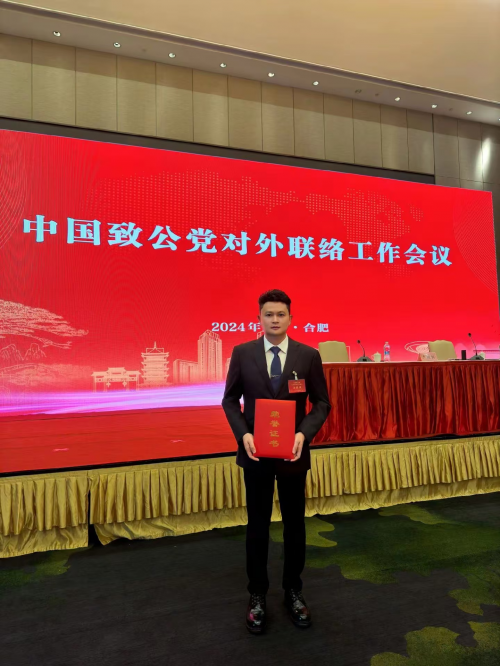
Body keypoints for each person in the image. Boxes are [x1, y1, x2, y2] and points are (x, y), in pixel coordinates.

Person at [222, 289, 331, 634]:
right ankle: (257, 594)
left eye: (280, 314)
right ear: (259, 318)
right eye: (268, 314)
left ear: (290, 319)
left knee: (294, 524)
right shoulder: (242, 353)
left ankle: (293, 591)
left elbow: (322, 403)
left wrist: (303, 434)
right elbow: (229, 400)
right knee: (257, 526)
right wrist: (243, 434)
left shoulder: (308, 355)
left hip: (292, 454)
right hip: (255, 453)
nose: (274, 320)